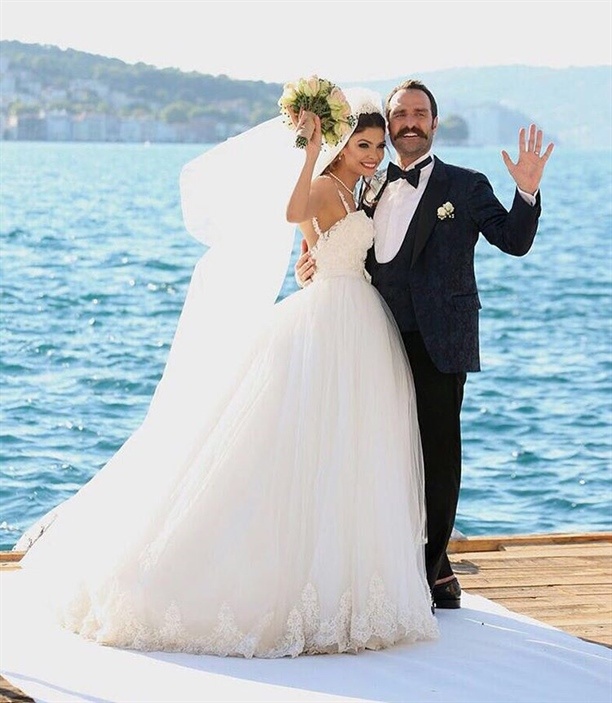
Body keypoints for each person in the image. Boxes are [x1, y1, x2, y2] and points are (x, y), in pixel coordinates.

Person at [15, 87, 438, 658]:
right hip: (329, 318)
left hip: (359, 319)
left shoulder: (364, 190)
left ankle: (345, 578)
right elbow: (294, 215)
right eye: (363, 145)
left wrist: (314, 260)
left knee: (347, 450)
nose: (373, 155)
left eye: (378, 147)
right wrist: (311, 153)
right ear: (343, 146)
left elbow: (331, 250)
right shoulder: (322, 184)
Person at [296, 79, 554, 609]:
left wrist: (526, 193)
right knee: (382, 452)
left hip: (440, 341)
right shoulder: (368, 185)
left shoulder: (467, 184)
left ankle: (430, 573)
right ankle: (409, 567)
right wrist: (310, 266)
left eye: (419, 113)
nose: (410, 122)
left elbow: (514, 240)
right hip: (373, 335)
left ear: (434, 123)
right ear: (389, 126)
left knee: (438, 456)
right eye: (400, 114)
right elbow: (340, 245)